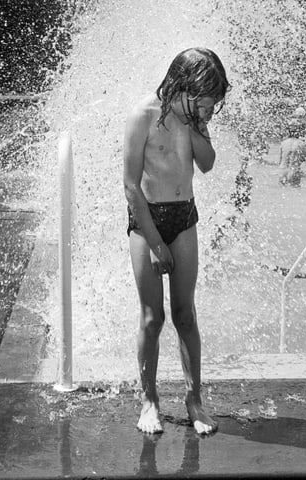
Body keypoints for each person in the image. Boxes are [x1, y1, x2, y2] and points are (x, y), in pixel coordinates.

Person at [123, 47, 230, 436]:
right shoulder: (143, 116)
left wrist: (196, 125)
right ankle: (148, 399)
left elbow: (207, 163)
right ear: (181, 85)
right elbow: (131, 187)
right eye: (204, 98)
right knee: (154, 317)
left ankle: (194, 399)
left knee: (185, 314)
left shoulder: (193, 119)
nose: (208, 106)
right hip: (147, 221)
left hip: (184, 218)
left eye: (212, 101)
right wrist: (154, 243)